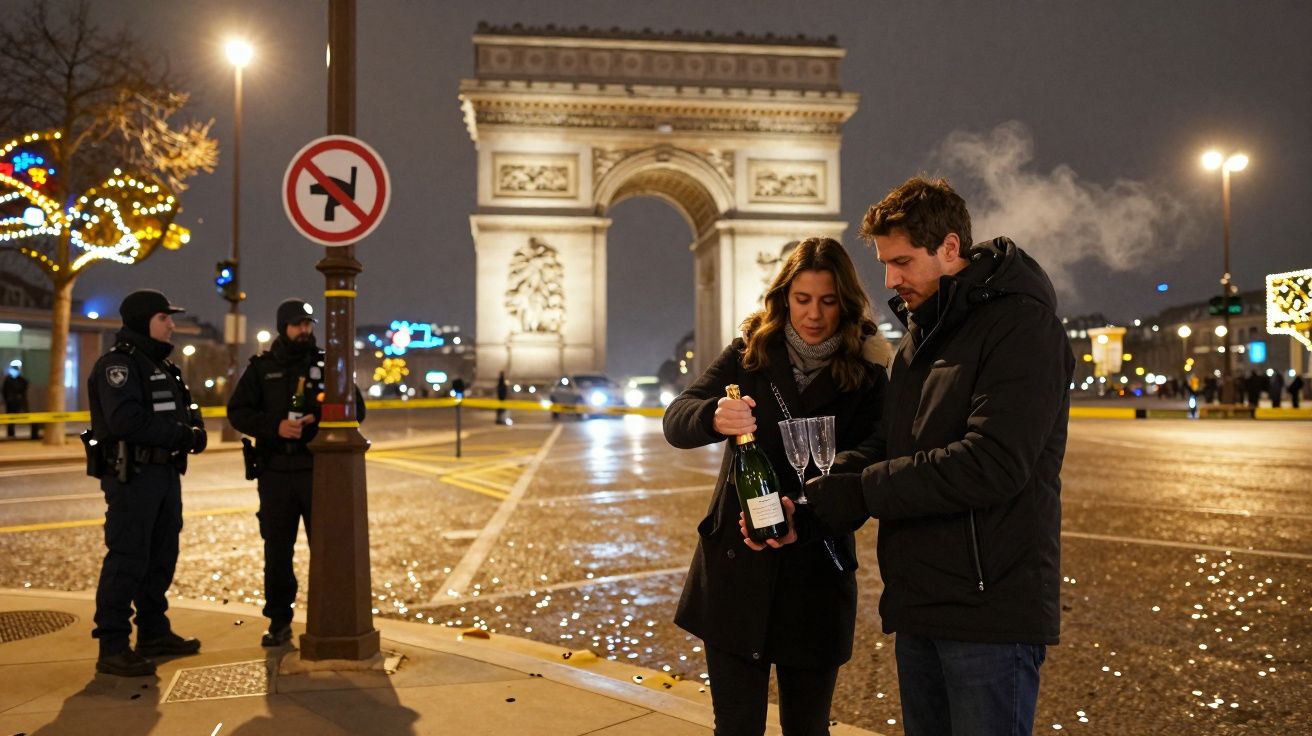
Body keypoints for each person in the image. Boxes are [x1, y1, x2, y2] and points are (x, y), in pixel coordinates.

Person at [802, 177, 1074, 735]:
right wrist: (838, 478)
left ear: (950, 248)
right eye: (884, 263)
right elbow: (897, 442)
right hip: (921, 601)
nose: (889, 280)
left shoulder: (1021, 327)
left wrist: (864, 489)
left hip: (988, 609)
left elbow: (993, 462)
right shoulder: (923, 332)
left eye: (901, 261)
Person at [663, 236, 890, 736]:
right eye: (803, 299)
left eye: (828, 301)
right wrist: (711, 414)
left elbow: (871, 461)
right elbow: (676, 420)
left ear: (846, 302)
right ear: (784, 296)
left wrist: (806, 509)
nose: (814, 314)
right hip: (736, 571)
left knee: (807, 730)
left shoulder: (870, 374)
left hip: (815, 567)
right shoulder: (748, 354)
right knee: (736, 727)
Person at [227, 298, 366, 647]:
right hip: (275, 472)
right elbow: (238, 412)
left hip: (317, 472)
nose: (305, 330)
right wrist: (274, 427)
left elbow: (357, 408)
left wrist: (316, 420)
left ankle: (332, 616)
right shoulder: (261, 367)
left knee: (327, 547)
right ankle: (278, 620)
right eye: (297, 324)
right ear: (282, 328)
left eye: (308, 324)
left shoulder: (326, 364)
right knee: (277, 550)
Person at [87, 289, 208, 677]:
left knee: (160, 556)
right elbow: (126, 421)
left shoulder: (162, 366)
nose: (171, 324)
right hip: (133, 476)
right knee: (127, 557)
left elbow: (182, 411)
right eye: (163, 318)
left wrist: (195, 431)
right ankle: (113, 645)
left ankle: (154, 632)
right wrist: (184, 437)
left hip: (164, 474)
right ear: (142, 321)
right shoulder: (117, 366)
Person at [3, 358, 39, 439]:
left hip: (20, 402)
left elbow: (24, 386)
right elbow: (4, 391)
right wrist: (8, 399)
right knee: (11, 421)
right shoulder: (9, 380)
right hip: (12, 403)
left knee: (29, 418)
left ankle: (34, 435)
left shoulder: (20, 379)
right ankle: (11, 435)